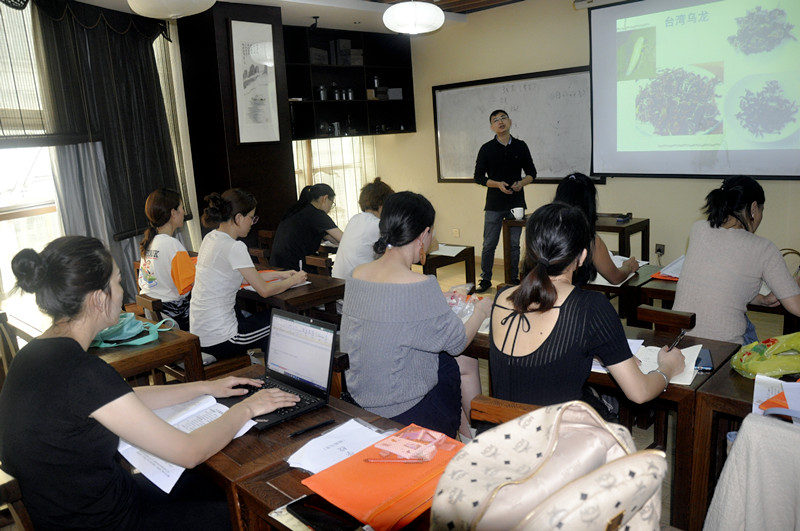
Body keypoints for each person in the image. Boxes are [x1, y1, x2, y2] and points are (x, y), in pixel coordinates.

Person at [0, 236, 300, 530]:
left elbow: (123, 398)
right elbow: (190, 451)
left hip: (89, 505)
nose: (123, 291)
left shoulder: (33, 355)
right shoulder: (82, 372)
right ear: (97, 298)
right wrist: (246, 409)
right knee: (249, 514)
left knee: (212, 485)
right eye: (118, 282)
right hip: (110, 521)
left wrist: (206, 387)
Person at [489, 203, 685, 407]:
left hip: (502, 432)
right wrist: (667, 369)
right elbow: (639, 392)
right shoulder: (590, 307)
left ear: (530, 251)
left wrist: (596, 349)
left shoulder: (503, 297)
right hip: (556, 435)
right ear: (583, 256)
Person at [340, 192, 492, 438]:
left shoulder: (358, 274)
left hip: (360, 396)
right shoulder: (420, 284)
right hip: (405, 411)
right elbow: (457, 342)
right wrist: (480, 310)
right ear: (423, 234)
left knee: (447, 361)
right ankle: (476, 434)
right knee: (461, 360)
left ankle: (467, 435)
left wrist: (436, 299)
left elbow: (393, 310)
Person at [674, 176, 800, 345]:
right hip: (724, 352)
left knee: (746, 325)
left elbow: (721, 284)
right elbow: (796, 307)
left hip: (680, 342)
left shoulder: (698, 229)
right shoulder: (764, 248)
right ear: (754, 208)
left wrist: (761, 299)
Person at [190, 189, 307, 359]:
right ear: (238, 218)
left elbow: (244, 277)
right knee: (283, 321)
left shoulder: (211, 238)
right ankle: (278, 376)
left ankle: (268, 373)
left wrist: (281, 275)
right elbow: (264, 290)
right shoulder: (234, 247)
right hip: (223, 338)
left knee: (268, 321)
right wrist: (294, 280)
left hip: (202, 334)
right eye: (252, 218)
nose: (252, 223)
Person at [473, 109, 537, 293]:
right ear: (492, 127)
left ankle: (513, 278)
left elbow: (532, 173)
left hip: (516, 203)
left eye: (503, 118)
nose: (500, 122)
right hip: (494, 203)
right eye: (495, 120)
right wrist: (496, 184)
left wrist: (521, 183)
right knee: (489, 243)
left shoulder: (520, 146)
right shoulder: (486, 148)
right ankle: (485, 279)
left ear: (509, 121)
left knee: (514, 244)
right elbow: (478, 177)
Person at [554, 173, 640, 285]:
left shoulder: (539, 232)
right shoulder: (588, 239)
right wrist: (628, 267)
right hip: (571, 300)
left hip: (535, 297)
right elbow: (615, 277)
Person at [138, 188, 195, 330]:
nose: (184, 212)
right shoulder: (173, 245)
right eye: (182, 207)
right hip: (176, 315)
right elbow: (190, 287)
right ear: (173, 213)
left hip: (157, 314)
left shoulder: (149, 242)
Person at [271, 183, 343, 272]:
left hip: (278, 265)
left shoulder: (297, 210)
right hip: (296, 269)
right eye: (331, 203)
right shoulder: (317, 214)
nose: (330, 208)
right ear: (325, 198)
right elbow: (344, 239)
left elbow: (334, 239)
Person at [331, 177, 394, 280]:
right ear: (382, 204)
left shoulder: (354, 219)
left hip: (338, 282)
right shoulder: (377, 225)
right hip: (358, 284)